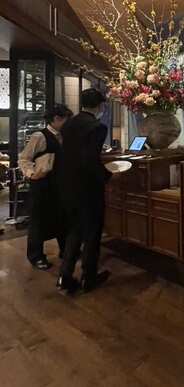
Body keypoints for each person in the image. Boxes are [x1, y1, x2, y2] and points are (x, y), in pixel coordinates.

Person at [56, 88, 113, 293]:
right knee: (92, 232)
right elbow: (90, 159)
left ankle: (64, 277)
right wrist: (108, 176)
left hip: (67, 185)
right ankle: (88, 278)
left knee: (75, 230)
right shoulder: (97, 127)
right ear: (100, 106)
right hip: (87, 187)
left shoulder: (68, 124)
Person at [18, 104, 74, 270]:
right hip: (43, 185)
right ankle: (36, 256)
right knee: (39, 220)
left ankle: (66, 250)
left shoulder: (65, 136)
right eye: (67, 120)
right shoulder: (40, 136)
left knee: (63, 218)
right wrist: (31, 173)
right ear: (56, 119)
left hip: (61, 184)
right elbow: (24, 158)